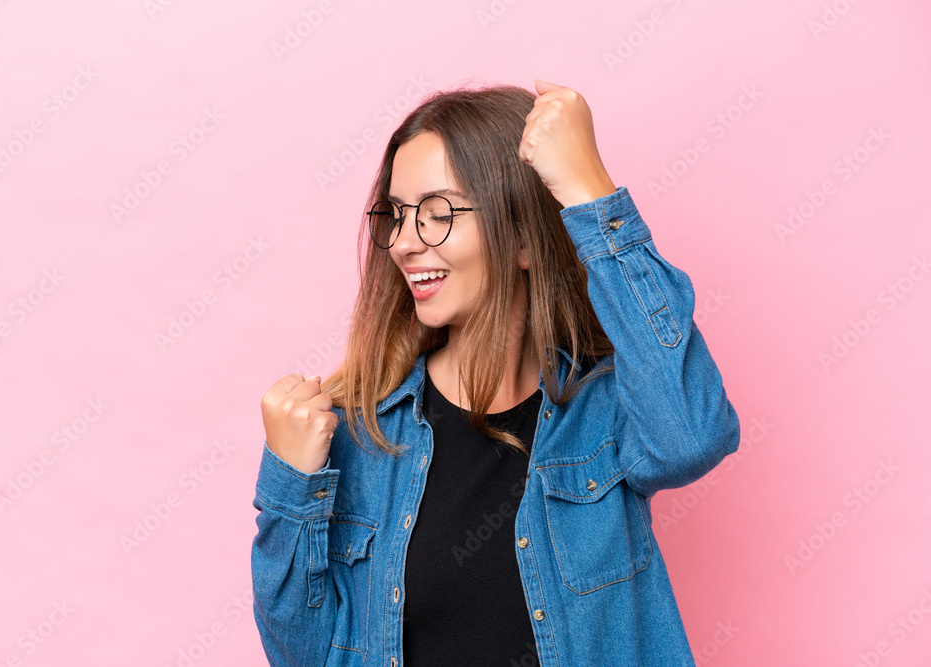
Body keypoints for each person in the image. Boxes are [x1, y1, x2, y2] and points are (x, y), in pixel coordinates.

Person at [251, 78, 741, 666]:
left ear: (523, 241)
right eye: (397, 216)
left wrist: (590, 190)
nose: (404, 242)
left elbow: (691, 438)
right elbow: (302, 658)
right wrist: (290, 491)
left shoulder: (604, 409)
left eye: (436, 214)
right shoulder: (359, 432)